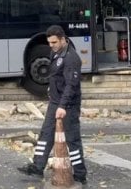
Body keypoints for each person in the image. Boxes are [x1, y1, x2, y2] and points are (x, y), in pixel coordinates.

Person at [17, 25, 88, 185]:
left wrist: (62, 106)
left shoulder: (72, 58)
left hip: (67, 104)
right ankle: (37, 167)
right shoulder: (55, 52)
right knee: (46, 134)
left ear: (63, 39)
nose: (51, 45)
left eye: (54, 42)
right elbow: (56, 75)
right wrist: (51, 88)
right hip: (55, 101)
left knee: (72, 139)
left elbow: (71, 85)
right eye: (49, 42)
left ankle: (80, 174)